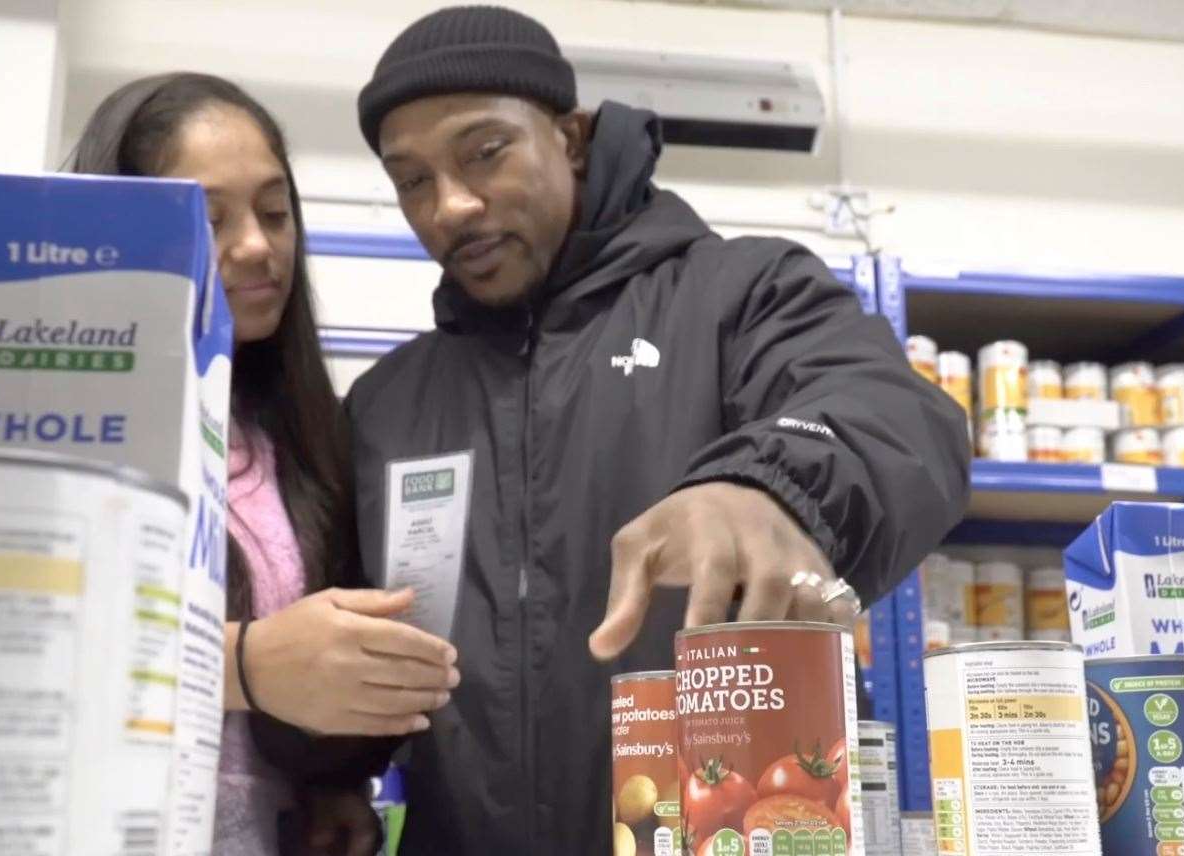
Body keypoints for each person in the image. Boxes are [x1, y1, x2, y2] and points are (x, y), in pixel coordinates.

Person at [346, 6, 973, 854]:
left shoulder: (738, 294)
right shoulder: (386, 407)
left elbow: (894, 414)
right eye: (412, 179)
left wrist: (772, 485)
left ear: (570, 138)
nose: (451, 205)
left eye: (484, 152)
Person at [0, 72, 456, 856]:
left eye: (275, 212)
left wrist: (324, 779)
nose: (259, 246)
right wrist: (242, 665)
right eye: (210, 219)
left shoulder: (282, 435)